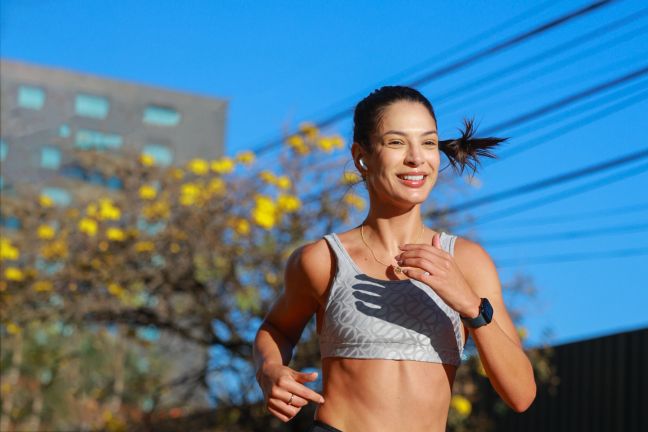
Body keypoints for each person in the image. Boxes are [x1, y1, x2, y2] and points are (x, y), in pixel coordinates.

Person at [253, 86, 536, 432]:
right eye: (396, 142)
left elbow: (521, 395)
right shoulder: (323, 259)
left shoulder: (467, 261)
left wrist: (471, 306)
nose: (417, 158)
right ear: (362, 157)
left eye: (429, 142)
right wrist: (269, 370)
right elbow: (276, 328)